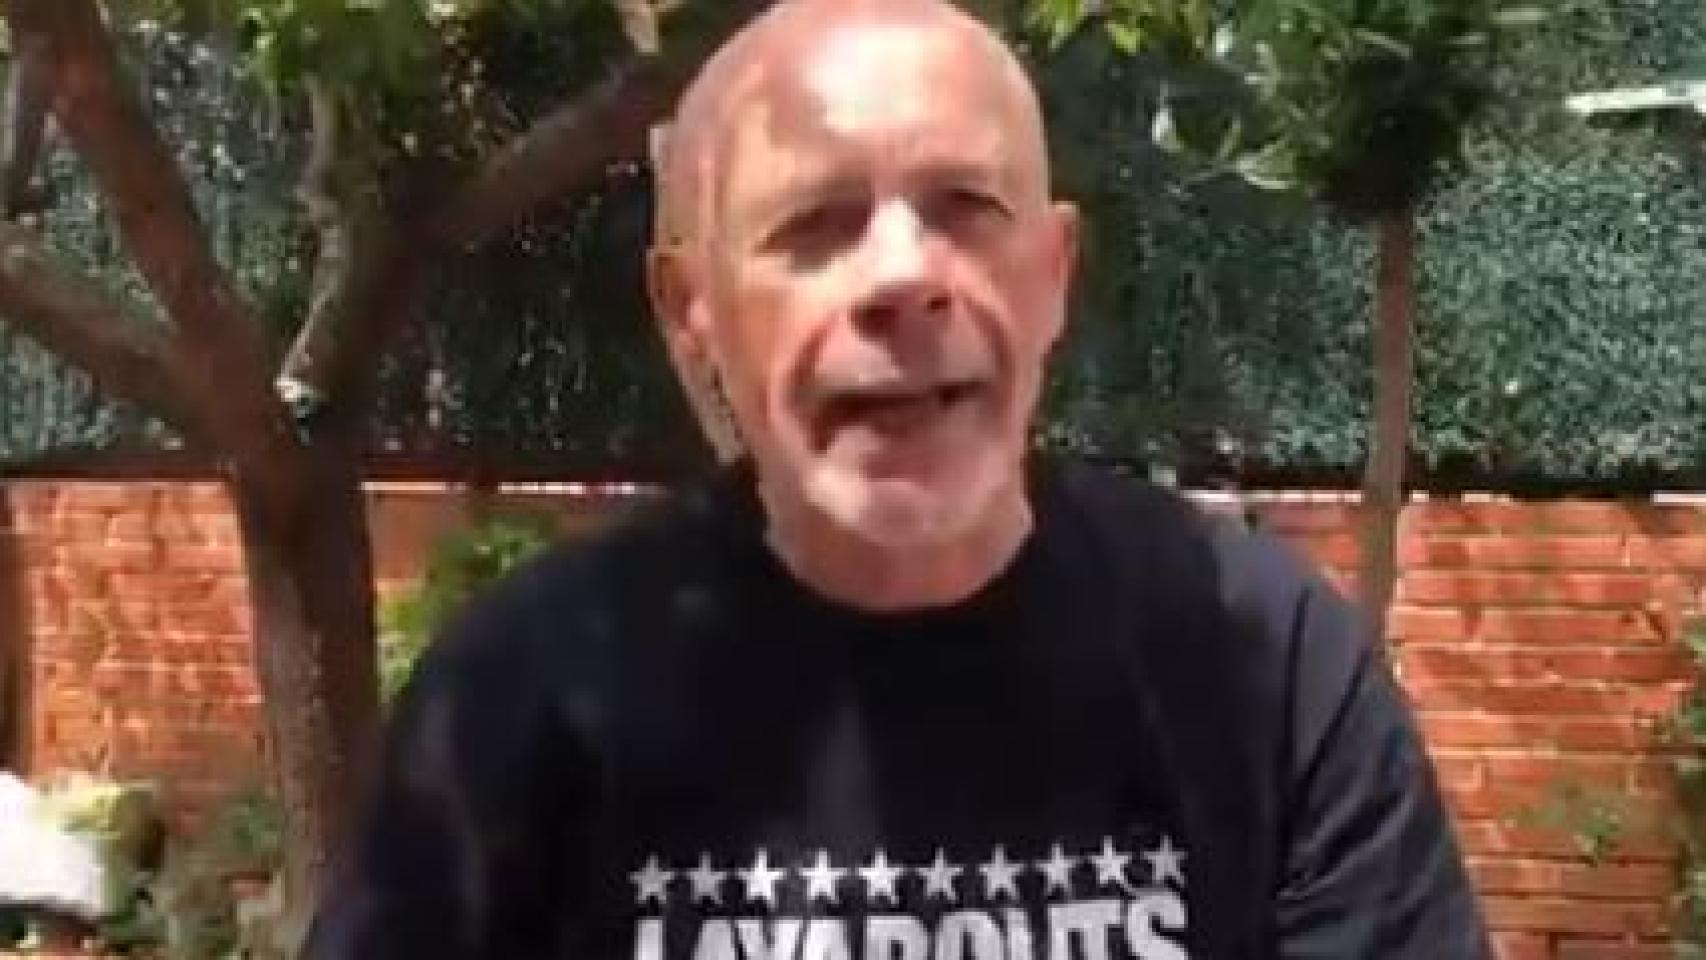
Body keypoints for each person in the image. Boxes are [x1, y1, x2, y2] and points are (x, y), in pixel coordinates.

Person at [307, 1, 1490, 956]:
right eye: (814, 224)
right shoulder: (525, 693)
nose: (901, 277)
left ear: (1052, 274)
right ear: (690, 309)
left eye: (965, 207)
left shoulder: (1264, 660)